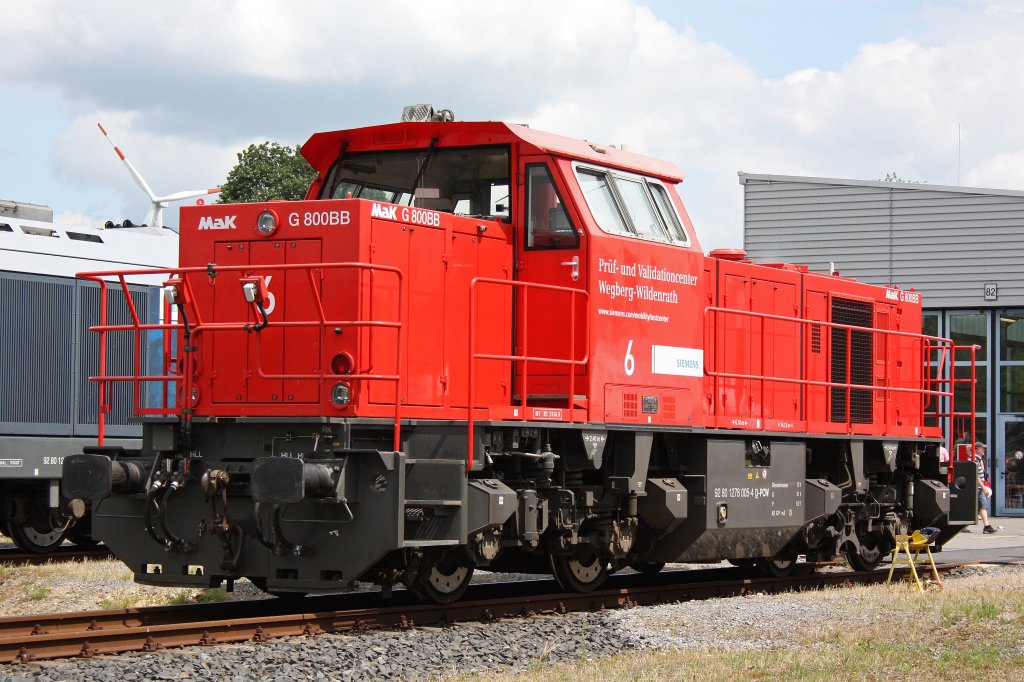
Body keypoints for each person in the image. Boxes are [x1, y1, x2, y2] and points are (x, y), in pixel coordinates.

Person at [973, 442, 997, 534]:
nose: (984, 450)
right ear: (977, 449)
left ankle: (987, 526)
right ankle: (987, 526)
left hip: (979, 486)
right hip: (979, 487)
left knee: (982, 506)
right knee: (982, 506)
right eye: (982, 448)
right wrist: (983, 487)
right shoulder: (975, 459)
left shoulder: (978, 459)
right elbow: (975, 475)